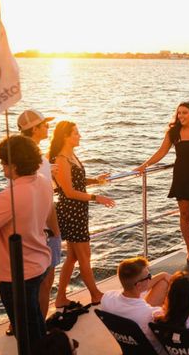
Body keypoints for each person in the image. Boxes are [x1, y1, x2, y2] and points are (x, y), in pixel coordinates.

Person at [0, 135, 53, 347]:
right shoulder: (43, 182)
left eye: (3, 162)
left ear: (13, 165)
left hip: (19, 275)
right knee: (37, 327)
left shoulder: (10, 196)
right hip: (40, 262)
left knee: (28, 339)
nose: (2, 166)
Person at [135, 101, 189, 263]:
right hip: (182, 176)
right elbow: (161, 152)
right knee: (185, 214)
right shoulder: (173, 132)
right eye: (179, 113)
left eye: (184, 113)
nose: (181, 116)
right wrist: (144, 165)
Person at [50, 121, 116, 309]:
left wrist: (96, 180)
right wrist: (97, 197)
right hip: (71, 210)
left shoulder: (71, 155)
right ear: (65, 136)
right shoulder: (61, 158)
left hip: (79, 210)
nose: (79, 136)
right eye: (75, 133)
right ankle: (95, 295)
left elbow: (76, 180)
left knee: (73, 257)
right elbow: (69, 191)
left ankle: (60, 297)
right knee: (84, 255)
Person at [17, 109, 60, 323]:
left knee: (25, 281)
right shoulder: (38, 161)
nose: (47, 127)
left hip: (25, 227)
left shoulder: (18, 160)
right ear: (34, 129)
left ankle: (18, 324)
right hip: (44, 229)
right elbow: (46, 200)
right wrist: (55, 231)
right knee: (46, 280)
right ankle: (40, 330)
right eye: (44, 125)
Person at [100, 256, 171, 353]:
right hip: (155, 351)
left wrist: (162, 275)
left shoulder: (106, 298)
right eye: (149, 276)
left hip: (131, 346)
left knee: (162, 283)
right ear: (139, 285)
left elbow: (134, 287)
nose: (150, 278)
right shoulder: (151, 314)